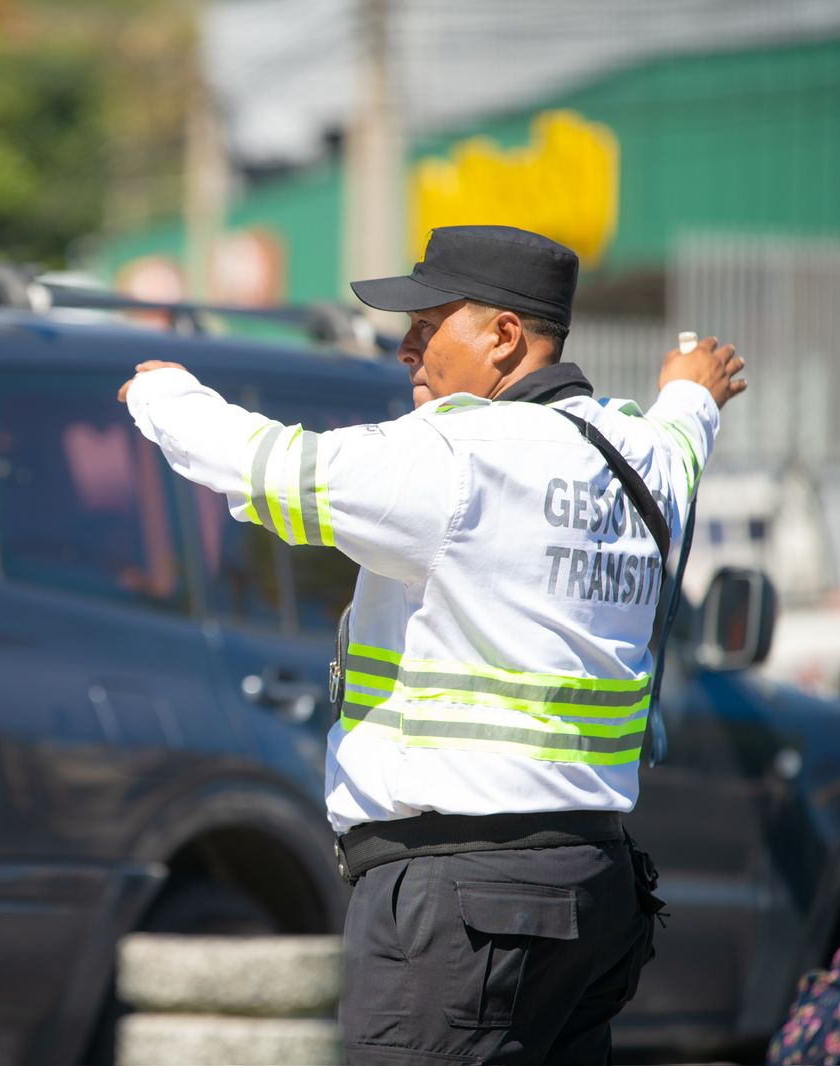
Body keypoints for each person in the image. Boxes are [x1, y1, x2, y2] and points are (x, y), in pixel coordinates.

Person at [118, 224, 747, 1065]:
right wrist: (693, 386)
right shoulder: (640, 460)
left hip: (459, 906)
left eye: (427, 323)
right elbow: (685, 431)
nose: (405, 348)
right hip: (592, 887)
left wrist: (162, 393)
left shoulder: (458, 456)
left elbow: (271, 467)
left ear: (504, 336)